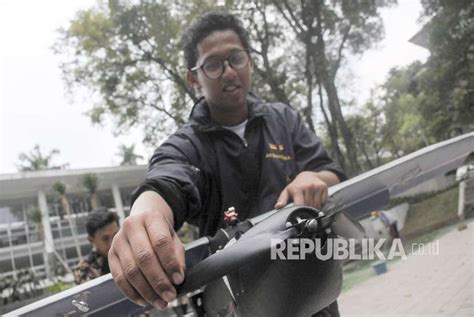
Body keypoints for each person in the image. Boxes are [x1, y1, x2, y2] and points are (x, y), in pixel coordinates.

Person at [108, 11, 346, 315]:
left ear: (250, 61)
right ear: (194, 77)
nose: (228, 72)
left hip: (311, 288)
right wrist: (145, 216)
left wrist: (314, 179)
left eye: (236, 58)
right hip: (237, 302)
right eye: (213, 64)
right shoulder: (188, 144)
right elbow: (166, 181)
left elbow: (333, 174)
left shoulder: (284, 120)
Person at [74, 211, 120, 284]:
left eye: (116, 235)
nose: (112, 243)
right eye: (105, 239)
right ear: (91, 240)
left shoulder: (132, 252)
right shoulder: (85, 270)